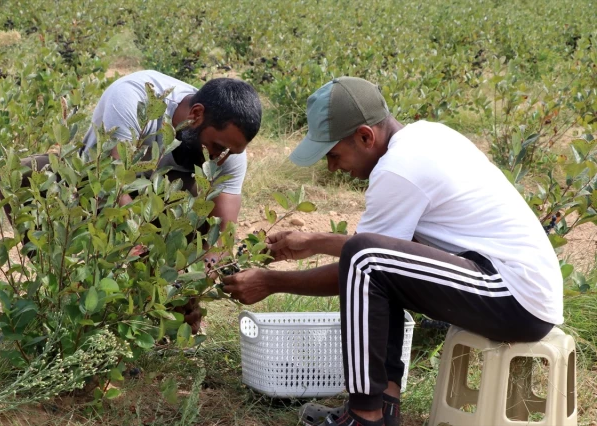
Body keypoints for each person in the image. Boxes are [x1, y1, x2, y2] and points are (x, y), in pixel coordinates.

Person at [221, 77, 562, 426]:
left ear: (366, 136)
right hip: (513, 290)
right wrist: (315, 242)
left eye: (334, 154)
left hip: (512, 296)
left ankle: (365, 415)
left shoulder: (398, 169)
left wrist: (271, 282)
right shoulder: (425, 136)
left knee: (368, 263)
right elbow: (396, 254)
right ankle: (384, 410)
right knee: (379, 266)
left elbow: (361, 264)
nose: (332, 167)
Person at [82, 70, 262, 229]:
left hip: (153, 198)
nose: (220, 160)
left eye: (231, 153)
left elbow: (222, 233)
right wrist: (137, 243)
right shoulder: (135, 98)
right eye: (217, 148)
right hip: (95, 186)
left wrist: (210, 265)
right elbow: (114, 182)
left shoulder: (228, 144)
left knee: (198, 210)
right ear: (196, 114)